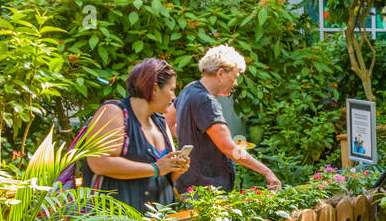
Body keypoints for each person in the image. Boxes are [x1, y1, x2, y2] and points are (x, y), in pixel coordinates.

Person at [78, 58, 190, 210]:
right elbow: (99, 163)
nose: (173, 97)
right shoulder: (113, 112)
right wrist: (156, 168)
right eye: (171, 89)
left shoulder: (160, 120)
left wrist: (176, 168)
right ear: (154, 89)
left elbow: (165, 175)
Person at [174, 44, 281, 194]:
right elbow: (229, 148)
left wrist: (192, 137)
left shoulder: (188, 89)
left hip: (189, 184)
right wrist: (266, 171)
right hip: (207, 189)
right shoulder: (206, 101)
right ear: (221, 73)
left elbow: (169, 121)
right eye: (235, 77)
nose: (236, 83)